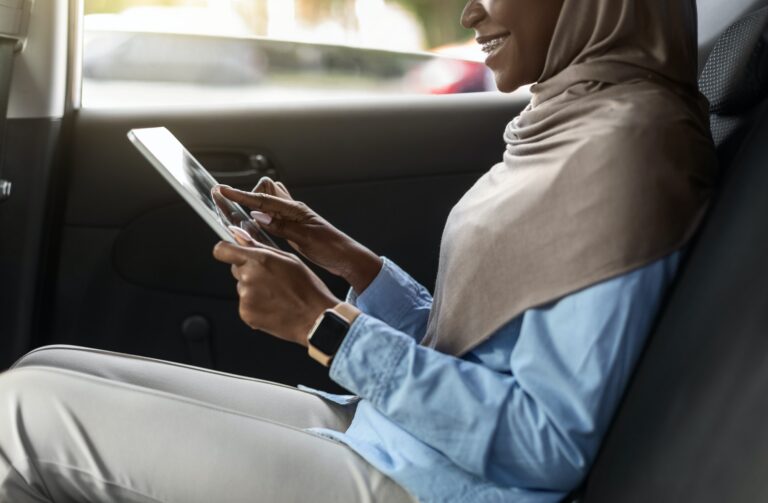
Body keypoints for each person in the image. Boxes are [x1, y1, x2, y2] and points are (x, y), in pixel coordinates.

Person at [0, 0, 716, 501]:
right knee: (46, 366)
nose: (471, 11)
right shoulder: (569, 119)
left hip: (434, 486)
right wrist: (348, 260)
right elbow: (484, 344)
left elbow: (548, 443)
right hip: (403, 435)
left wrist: (325, 325)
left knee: (19, 412)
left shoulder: (627, 149)